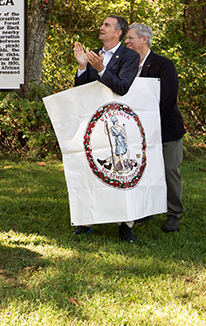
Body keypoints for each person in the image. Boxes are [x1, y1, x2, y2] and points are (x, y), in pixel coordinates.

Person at [73, 15, 140, 242]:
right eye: (102, 24)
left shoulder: (130, 56)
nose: (101, 27)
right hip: (93, 123)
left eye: (107, 25)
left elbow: (122, 87)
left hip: (118, 123)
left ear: (118, 32)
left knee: (120, 173)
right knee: (91, 170)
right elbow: (81, 91)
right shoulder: (92, 54)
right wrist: (83, 67)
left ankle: (125, 224)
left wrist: (101, 69)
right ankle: (87, 220)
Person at [125, 23, 186, 233]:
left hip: (166, 128)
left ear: (144, 39)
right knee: (143, 171)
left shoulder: (164, 64)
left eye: (130, 38)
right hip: (137, 131)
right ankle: (147, 209)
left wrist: (146, 120)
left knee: (169, 171)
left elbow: (168, 98)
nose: (127, 42)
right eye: (126, 38)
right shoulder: (127, 65)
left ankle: (174, 213)